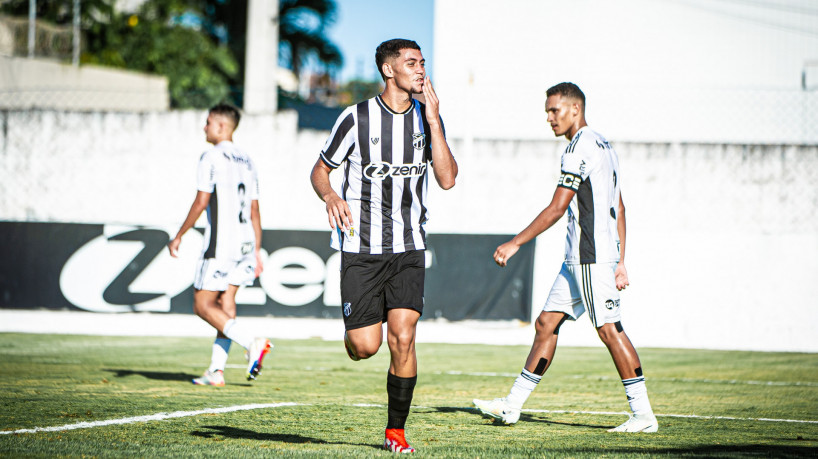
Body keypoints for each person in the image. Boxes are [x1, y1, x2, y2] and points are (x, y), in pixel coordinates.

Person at [473, 82, 658, 433]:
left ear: (575, 109)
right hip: (581, 260)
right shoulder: (603, 143)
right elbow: (618, 205)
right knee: (546, 324)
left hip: (590, 259)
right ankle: (512, 406)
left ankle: (643, 415)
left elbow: (558, 208)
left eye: (554, 110)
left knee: (609, 329)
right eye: (547, 111)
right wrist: (622, 258)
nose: (549, 118)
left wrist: (516, 243)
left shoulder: (578, 149)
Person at [310, 39, 458, 453]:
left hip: (410, 246)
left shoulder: (427, 121)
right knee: (365, 346)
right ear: (388, 70)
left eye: (423, 63)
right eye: (411, 63)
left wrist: (436, 121)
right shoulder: (355, 118)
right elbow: (320, 171)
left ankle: (396, 431)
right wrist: (331, 196)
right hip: (362, 247)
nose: (421, 70)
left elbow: (447, 179)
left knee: (404, 337)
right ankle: (354, 332)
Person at [168, 103, 271, 387]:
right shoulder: (248, 160)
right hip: (245, 243)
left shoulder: (211, 156)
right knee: (226, 302)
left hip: (221, 244)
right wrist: (257, 249)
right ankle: (217, 370)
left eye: (209, 122)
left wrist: (179, 235)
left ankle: (251, 342)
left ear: (222, 126)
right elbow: (254, 210)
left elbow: (202, 201)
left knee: (203, 305)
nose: (205, 127)